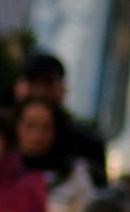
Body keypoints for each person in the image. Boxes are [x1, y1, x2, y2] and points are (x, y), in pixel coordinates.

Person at [14, 94, 94, 212]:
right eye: (30, 125)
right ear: (17, 128)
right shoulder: (4, 176)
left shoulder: (74, 177)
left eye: (46, 127)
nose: (38, 135)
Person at [14, 50, 107, 187]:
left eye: (48, 83)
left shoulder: (87, 145)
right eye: (32, 82)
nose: (39, 91)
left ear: (62, 89)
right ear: (17, 87)